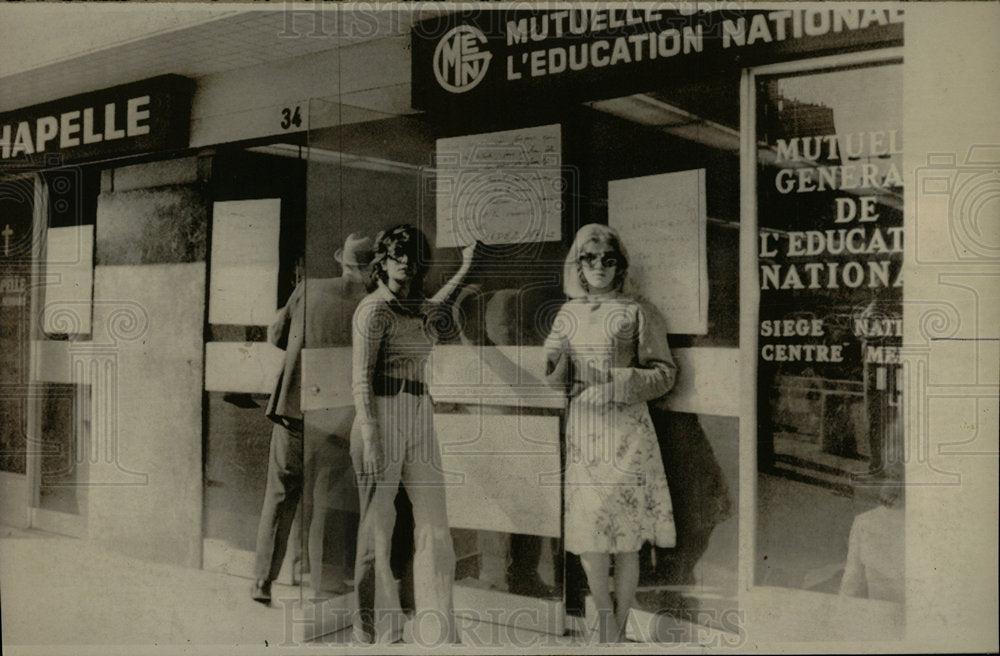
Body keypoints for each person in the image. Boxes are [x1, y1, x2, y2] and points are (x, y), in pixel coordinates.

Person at [544, 223, 678, 642]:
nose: (599, 266)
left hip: (627, 434)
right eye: (589, 258)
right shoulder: (568, 313)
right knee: (590, 531)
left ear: (620, 266)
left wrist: (617, 387)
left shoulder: (638, 311)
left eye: (608, 259)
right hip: (585, 433)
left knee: (626, 536)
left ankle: (616, 630)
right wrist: (555, 362)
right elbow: (553, 375)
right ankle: (603, 616)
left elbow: (664, 374)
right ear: (578, 266)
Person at [350, 224, 476, 644]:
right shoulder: (372, 311)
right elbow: (360, 379)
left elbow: (441, 302)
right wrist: (370, 434)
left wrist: (466, 266)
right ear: (381, 262)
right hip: (381, 416)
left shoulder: (418, 307)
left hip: (421, 411)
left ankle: (440, 630)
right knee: (379, 528)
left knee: (434, 523)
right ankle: (378, 630)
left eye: (412, 257)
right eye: (396, 256)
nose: (405, 263)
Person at [251, 234, 374, 605]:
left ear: (343, 262)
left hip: (293, 409)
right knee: (330, 503)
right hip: (338, 415)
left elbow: (276, 336)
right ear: (372, 268)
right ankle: (327, 587)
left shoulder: (307, 288)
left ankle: (262, 583)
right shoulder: (371, 304)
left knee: (280, 495)